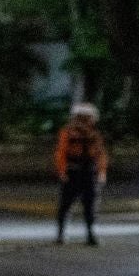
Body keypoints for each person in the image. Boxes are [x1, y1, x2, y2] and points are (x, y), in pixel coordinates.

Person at [55, 102, 108, 245]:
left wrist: (102, 172)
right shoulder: (67, 133)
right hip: (72, 171)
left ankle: (90, 234)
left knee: (90, 205)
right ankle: (61, 234)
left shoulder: (94, 135)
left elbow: (101, 154)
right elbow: (61, 153)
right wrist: (62, 171)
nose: (86, 121)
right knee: (65, 204)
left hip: (89, 172)